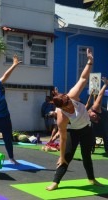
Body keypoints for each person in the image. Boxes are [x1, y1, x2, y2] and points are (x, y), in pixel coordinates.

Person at [46, 48, 102, 191]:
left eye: (70, 102)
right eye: (68, 105)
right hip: (73, 132)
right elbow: (63, 139)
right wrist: (61, 155)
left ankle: (91, 179)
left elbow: (83, 78)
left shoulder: (72, 95)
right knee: (67, 157)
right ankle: (55, 182)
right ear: (62, 108)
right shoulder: (62, 118)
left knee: (86, 155)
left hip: (87, 129)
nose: (70, 105)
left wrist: (90, 61)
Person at [88, 77, 108, 154]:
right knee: (91, 132)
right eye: (93, 118)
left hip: (105, 117)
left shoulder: (95, 107)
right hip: (97, 121)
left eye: (94, 116)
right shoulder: (86, 114)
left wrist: (105, 85)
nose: (94, 117)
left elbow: (100, 95)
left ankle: (107, 149)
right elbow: (88, 102)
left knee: (105, 133)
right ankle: (91, 148)